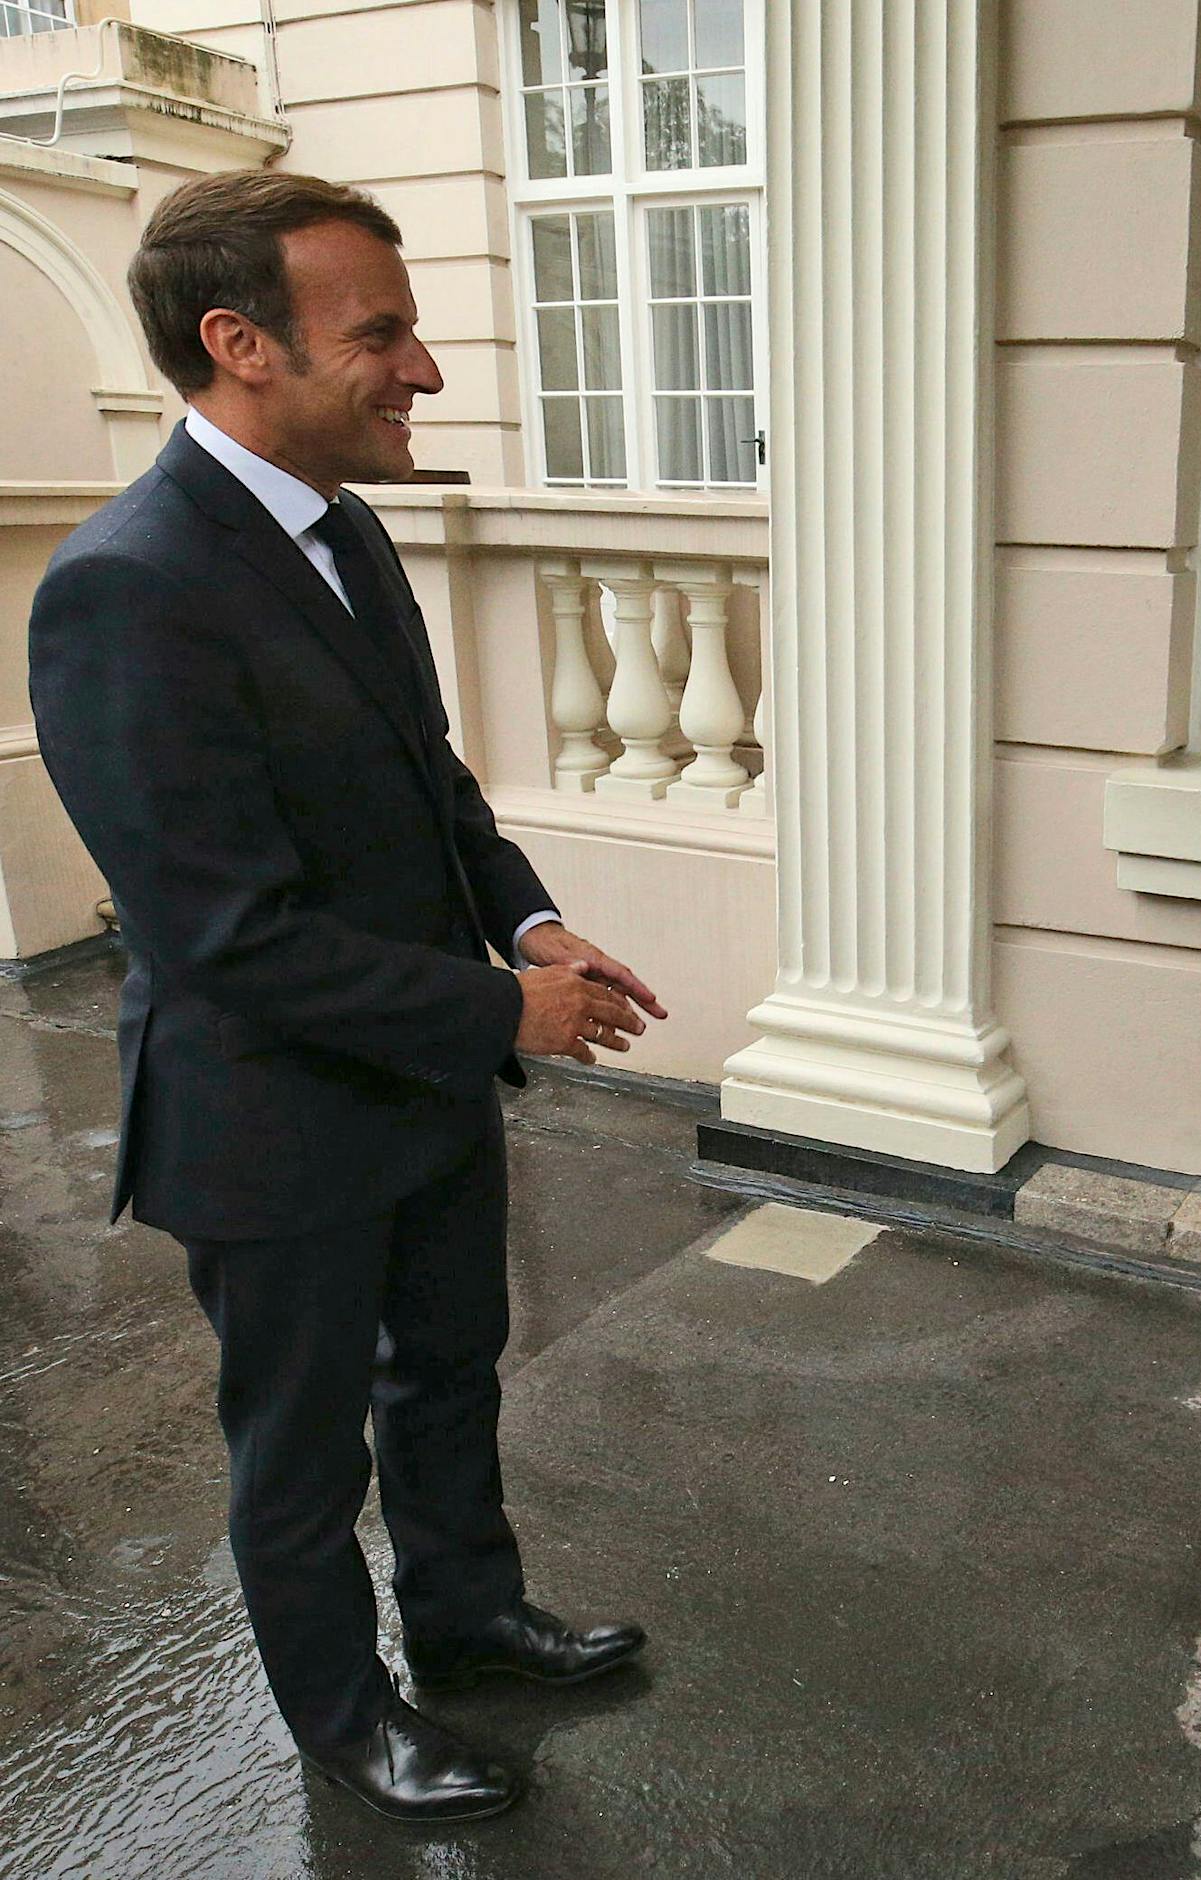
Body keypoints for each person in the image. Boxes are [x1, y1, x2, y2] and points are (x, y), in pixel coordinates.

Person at [29, 170, 668, 1823]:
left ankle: (463, 1621)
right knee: (298, 1460)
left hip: (422, 1083)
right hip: (270, 1124)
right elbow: (224, 934)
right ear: (239, 344)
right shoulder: (124, 585)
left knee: (449, 1369)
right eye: (379, 334)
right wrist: (498, 1018)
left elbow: (433, 787)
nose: (425, 371)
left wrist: (526, 929)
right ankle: (344, 1718)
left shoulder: (348, 533)